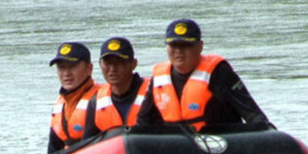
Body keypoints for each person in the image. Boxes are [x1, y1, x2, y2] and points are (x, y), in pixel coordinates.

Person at [135, 19, 272, 131]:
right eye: (174, 45)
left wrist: (272, 137)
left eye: (185, 45)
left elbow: (252, 114)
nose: (178, 51)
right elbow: (143, 123)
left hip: (220, 147)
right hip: (175, 150)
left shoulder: (219, 72)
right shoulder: (159, 78)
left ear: (200, 46)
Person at [82, 37, 150, 140]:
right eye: (107, 63)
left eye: (119, 62)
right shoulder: (95, 102)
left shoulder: (151, 93)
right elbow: (88, 146)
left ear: (133, 64)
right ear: (100, 64)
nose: (112, 69)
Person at [47, 41, 100, 154]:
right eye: (61, 68)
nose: (66, 73)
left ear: (89, 68)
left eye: (72, 67)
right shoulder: (59, 107)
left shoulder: (102, 99)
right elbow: (52, 152)